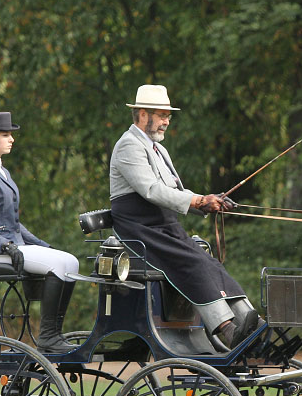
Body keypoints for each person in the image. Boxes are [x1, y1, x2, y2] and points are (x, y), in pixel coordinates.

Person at [109, 84, 259, 350]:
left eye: (169, 115)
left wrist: (208, 201)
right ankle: (228, 330)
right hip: (139, 231)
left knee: (210, 263)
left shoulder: (158, 149)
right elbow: (152, 191)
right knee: (192, 263)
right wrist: (199, 201)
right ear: (143, 114)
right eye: (162, 115)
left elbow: (176, 191)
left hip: (164, 227)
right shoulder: (128, 146)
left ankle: (253, 324)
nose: (167, 121)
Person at [0, 111, 80, 353]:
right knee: (59, 266)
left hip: (12, 246)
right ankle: (47, 336)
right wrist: (4, 245)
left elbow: (14, 224)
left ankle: (54, 333)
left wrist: (42, 244)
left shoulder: (1, 171)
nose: (12, 139)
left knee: (71, 262)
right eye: (5, 135)